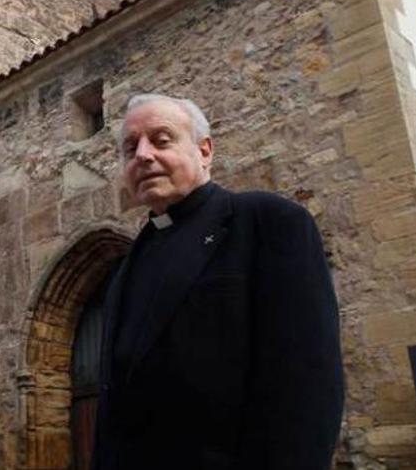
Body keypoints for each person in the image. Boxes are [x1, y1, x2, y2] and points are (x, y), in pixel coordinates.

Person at [91, 94, 344, 469]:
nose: (142, 155)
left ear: (204, 150)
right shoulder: (127, 265)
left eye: (161, 140)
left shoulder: (266, 222)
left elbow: (307, 387)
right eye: (130, 148)